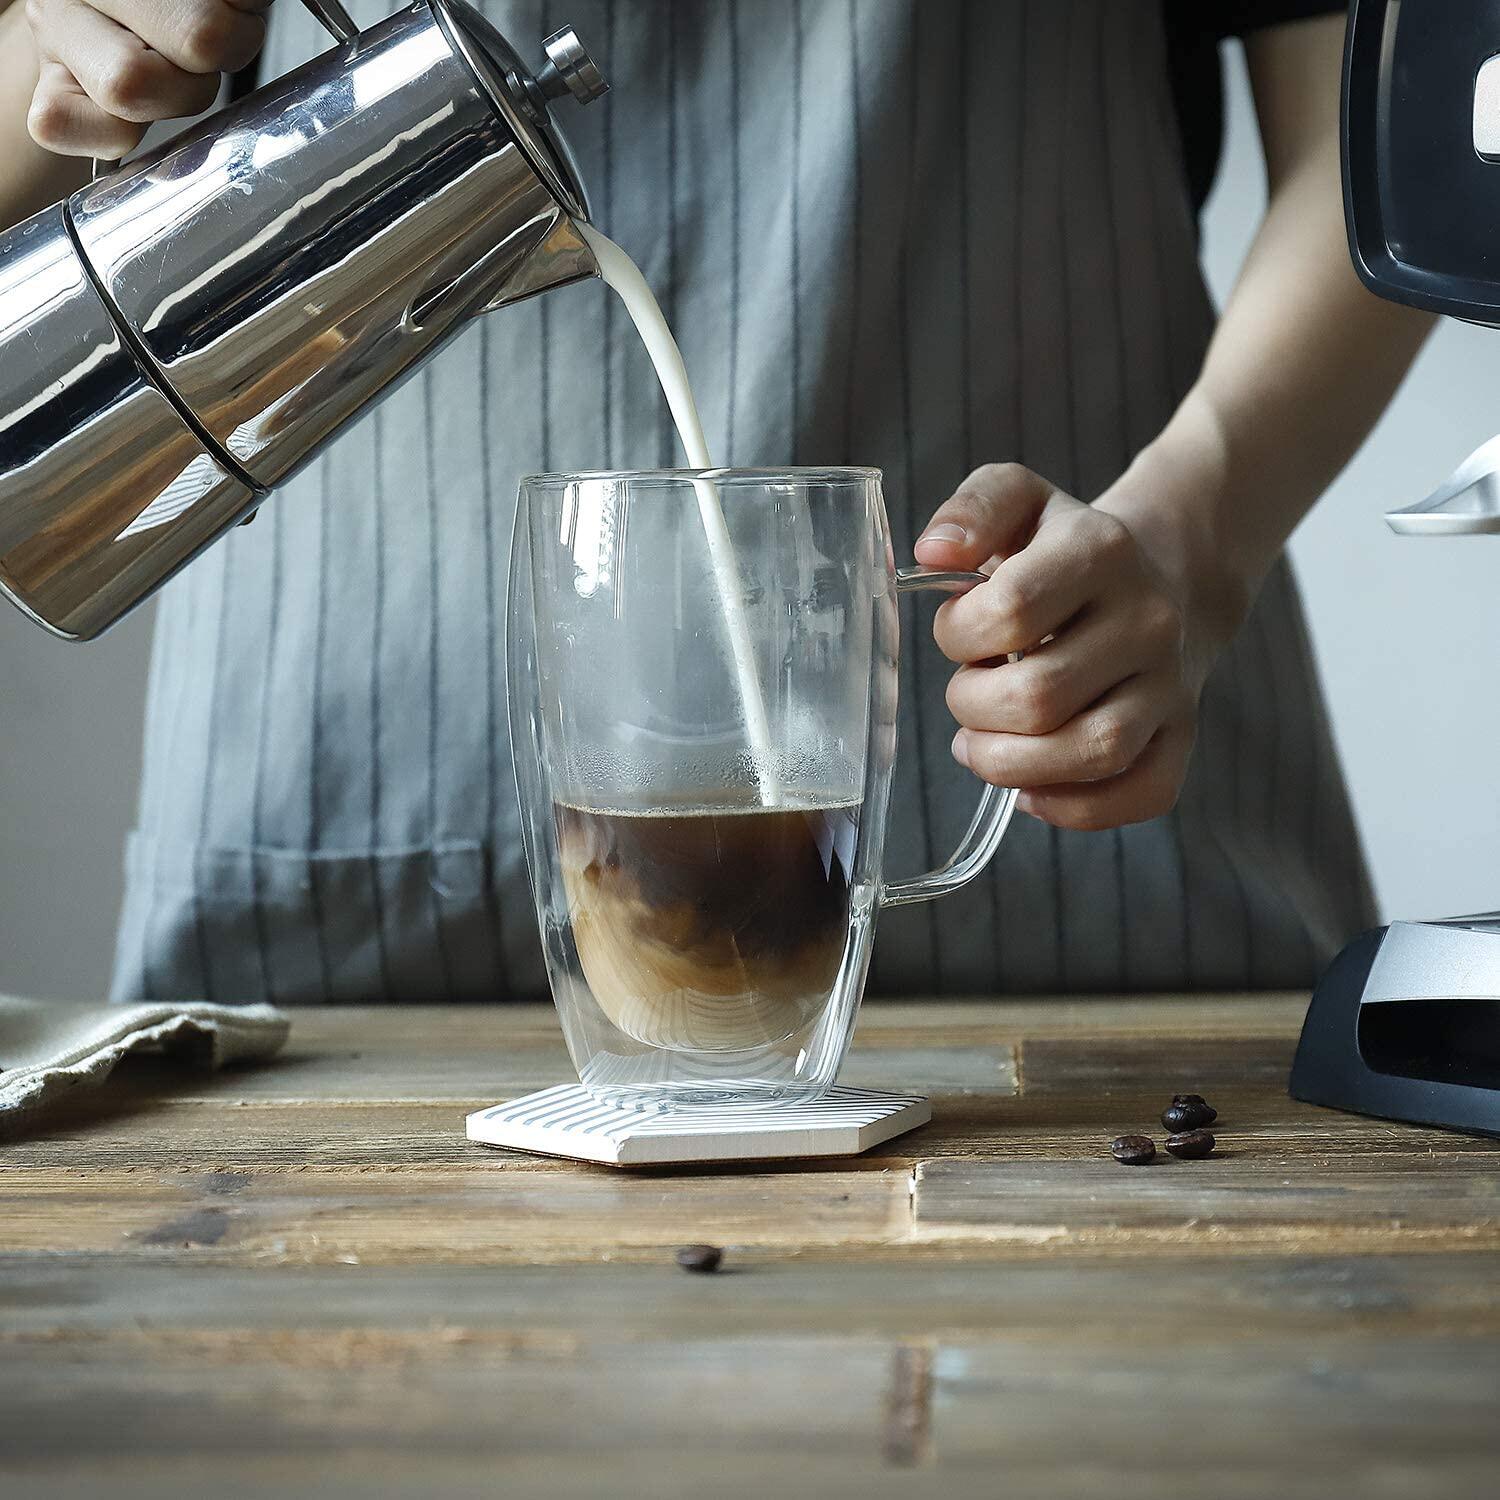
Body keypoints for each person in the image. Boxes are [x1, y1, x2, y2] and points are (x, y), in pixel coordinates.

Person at [0, 0, 1431, 1003]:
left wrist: (1198, 534)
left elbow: (1398, 113)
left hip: (1078, 860)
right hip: (332, 857)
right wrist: (53, 45)